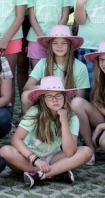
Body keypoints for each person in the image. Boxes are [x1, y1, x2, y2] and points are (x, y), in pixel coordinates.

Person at [0, 76, 92, 188]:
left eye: (58, 95)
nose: (55, 100)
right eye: (49, 96)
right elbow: (16, 139)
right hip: (28, 158)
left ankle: (39, 175)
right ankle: (56, 172)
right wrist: (35, 160)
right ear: (43, 99)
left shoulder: (72, 118)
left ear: (64, 97)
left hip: (52, 157)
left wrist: (64, 122)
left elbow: (69, 152)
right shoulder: (35, 112)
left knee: (86, 151)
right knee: (5, 151)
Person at [20, 28, 95, 156]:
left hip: (68, 104)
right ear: (50, 46)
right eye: (55, 43)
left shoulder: (79, 66)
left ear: (70, 45)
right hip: (47, 102)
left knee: (77, 103)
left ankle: (89, 145)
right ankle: (30, 133)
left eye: (63, 43)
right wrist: (46, 88)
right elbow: (27, 86)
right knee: (25, 96)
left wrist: (61, 102)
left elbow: (79, 96)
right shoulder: (43, 63)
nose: (59, 46)